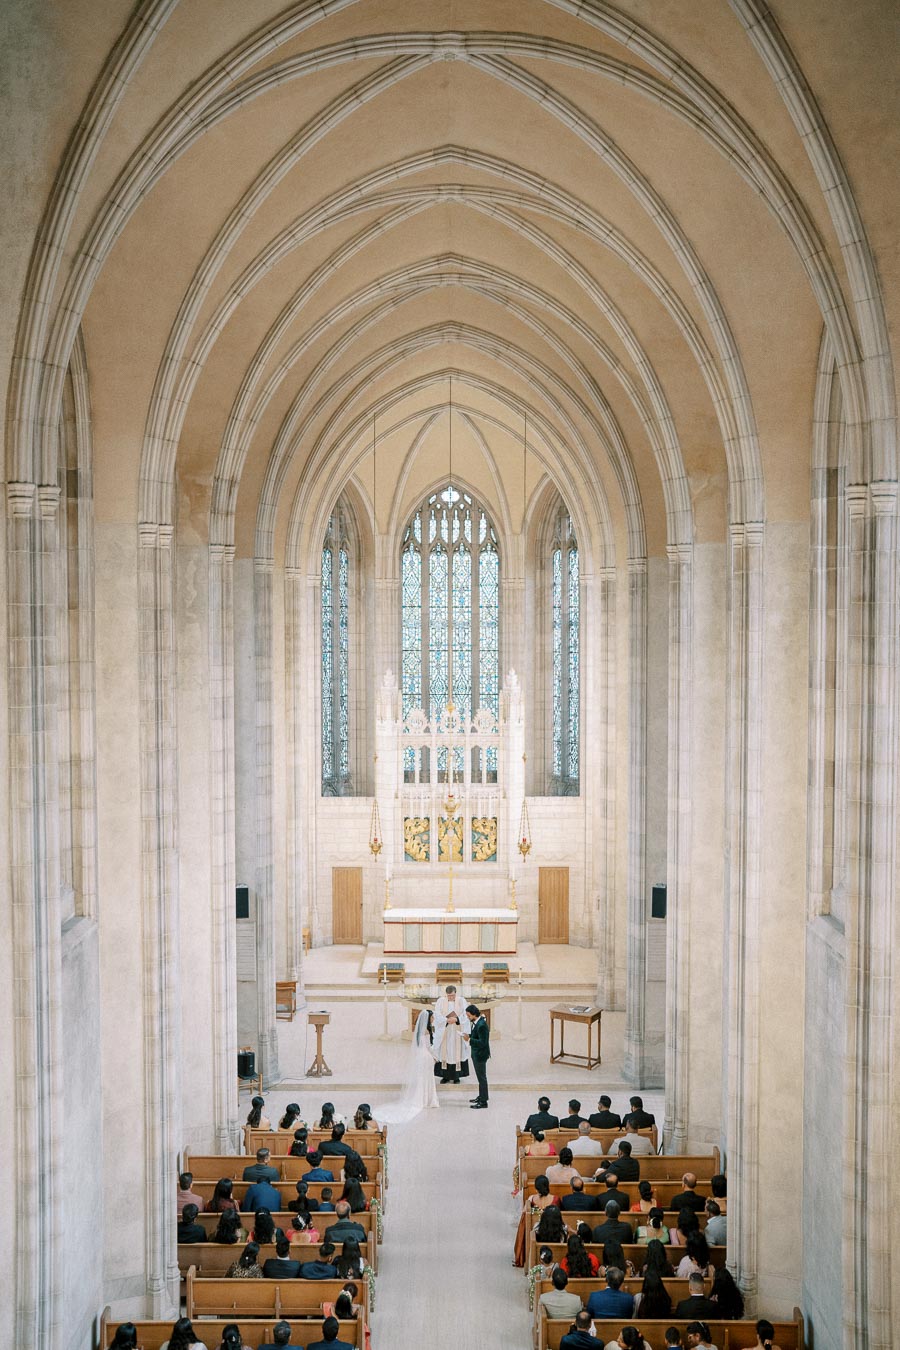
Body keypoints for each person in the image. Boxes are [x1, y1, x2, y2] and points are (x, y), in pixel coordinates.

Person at [372, 1009, 440, 1122]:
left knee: (422, 1079)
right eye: (432, 1017)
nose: (433, 1019)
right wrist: (435, 1057)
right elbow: (428, 1047)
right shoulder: (427, 1031)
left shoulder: (419, 1030)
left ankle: (422, 1098)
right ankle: (427, 1100)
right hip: (426, 1057)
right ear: (428, 1019)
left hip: (421, 1056)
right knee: (427, 1079)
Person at [432, 985, 470, 1083]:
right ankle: (445, 1076)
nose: (451, 998)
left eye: (452, 996)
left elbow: (466, 1014)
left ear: (456, 993)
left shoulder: (461, 1001)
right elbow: (437, 1014)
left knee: (456, 1053)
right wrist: (446, 1020)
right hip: (445, 1032)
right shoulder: (441, 1001)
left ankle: (456, 1077)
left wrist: (456, 1019)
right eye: (449, 996)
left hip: (457, 1031)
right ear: (446, 994)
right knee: (445, 1053)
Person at [466, 1003, 490, 1107]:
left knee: (482, 1078)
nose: (468, 1017)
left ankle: (484, 1101)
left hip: (480, 1055)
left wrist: (469, 1040)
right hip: (476, 1054)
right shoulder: (477, 1022)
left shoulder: (481, 1025)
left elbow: (483, 1042)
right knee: (480, 1078)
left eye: (469, 1015)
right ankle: (481, 1096)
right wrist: (469, 1036)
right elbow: (477, 1036)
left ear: (474, 1014)